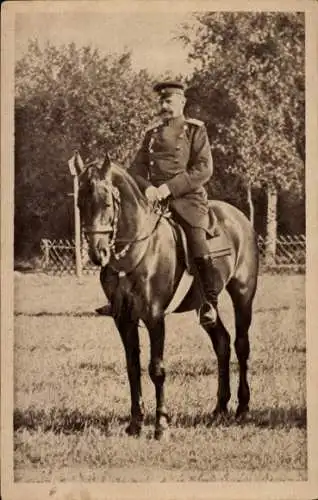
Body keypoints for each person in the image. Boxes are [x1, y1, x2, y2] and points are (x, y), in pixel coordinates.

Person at [97, 80, 221, 325]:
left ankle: (209, 302)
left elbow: (203, 169)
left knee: (196, 240)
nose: (165, 106)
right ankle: (118, 298)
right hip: (153, 200)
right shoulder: (151, 135)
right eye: (162, 101)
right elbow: (136, 169)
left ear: (182, 102)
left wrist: (169, 188)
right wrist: (149, 188)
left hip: (187, 199)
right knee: (122, 236)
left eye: (169, 101)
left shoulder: (195, 130)